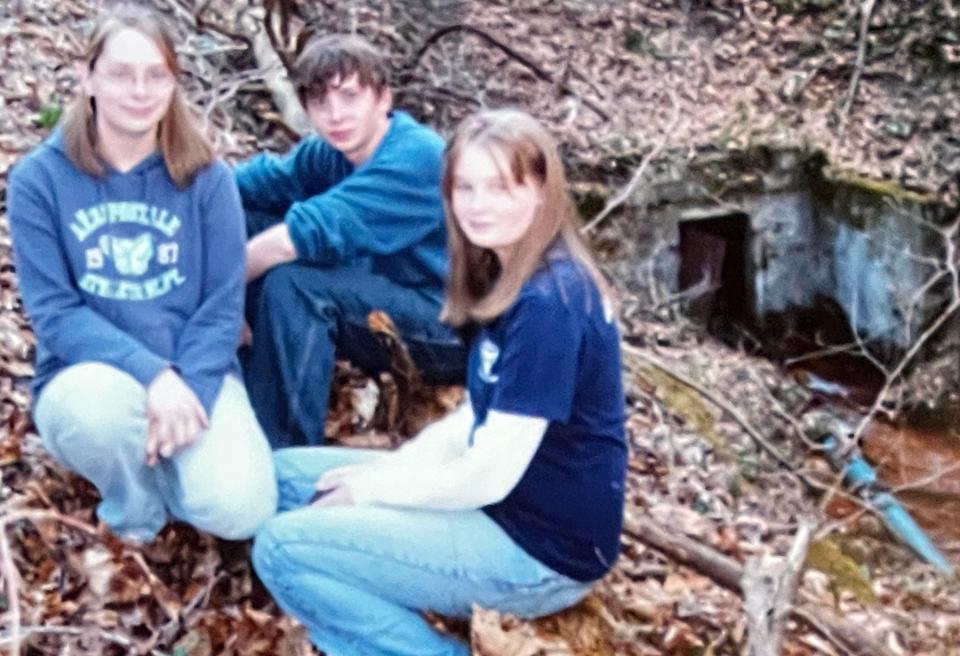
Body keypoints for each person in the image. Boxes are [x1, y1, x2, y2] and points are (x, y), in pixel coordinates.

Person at [252, 109, 628, 656]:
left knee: (282, 550)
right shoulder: (503, 274)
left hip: (539, 549)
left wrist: (370, 491)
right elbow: (470, 424)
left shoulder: (552, 302)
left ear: (543, 189)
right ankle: (371, 592)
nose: (478, 204)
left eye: (500, 187)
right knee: (286, 477)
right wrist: (388, 473)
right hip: (497, 505)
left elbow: (489, 473)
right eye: (465, 187)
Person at [6, 4, 276, 543]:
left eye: (156, 75)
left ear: (174, 83)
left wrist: (188, 390)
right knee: (94, 413)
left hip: (196, 374)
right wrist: (152, 375)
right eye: (121, 73)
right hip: (91, 375)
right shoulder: (39, 181)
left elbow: (222, 306)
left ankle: (169, 465)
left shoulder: (207, 179)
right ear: (87, 78)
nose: (139, 90)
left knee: (240, 510)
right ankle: (135, 510)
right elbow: (56, 314)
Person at [235, 33, 466, 449]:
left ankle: (281, 453)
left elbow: (297, 238)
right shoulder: (327, 153)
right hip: (382, 293)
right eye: (320, 103)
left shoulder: (416, 158)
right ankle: (233, 389)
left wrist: (219, 298)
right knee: (244, 221)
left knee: (297, 283)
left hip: (447, 326)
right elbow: (245, 187)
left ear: (383, 99)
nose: (335, 115)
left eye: (349, 97)